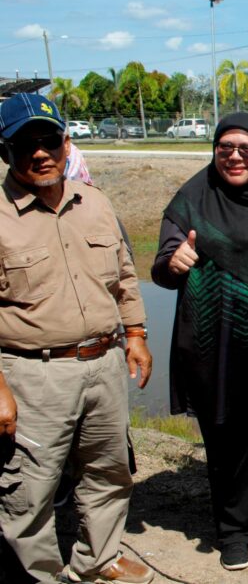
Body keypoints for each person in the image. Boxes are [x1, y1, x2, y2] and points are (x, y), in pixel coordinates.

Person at [0, 93, 154, 584]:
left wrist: (136, 334)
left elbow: (125, 276)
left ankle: (99, 559)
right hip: (32, 374)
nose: (40, 153)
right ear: (6, 152)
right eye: (26, 144)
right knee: (30, 488)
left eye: (49, 140)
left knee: (109, 471)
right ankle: (38, 574)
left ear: (66, 144)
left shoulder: (96, 202)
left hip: (104, 364)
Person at [150, 113, 248, 571]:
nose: (236, 156)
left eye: (247, 149)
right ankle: (234, 530)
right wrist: (174, 261)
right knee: (224, 440)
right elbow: (161, 267)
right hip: (211, 346)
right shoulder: (191, 200)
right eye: (226, 148)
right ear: (214, 151)